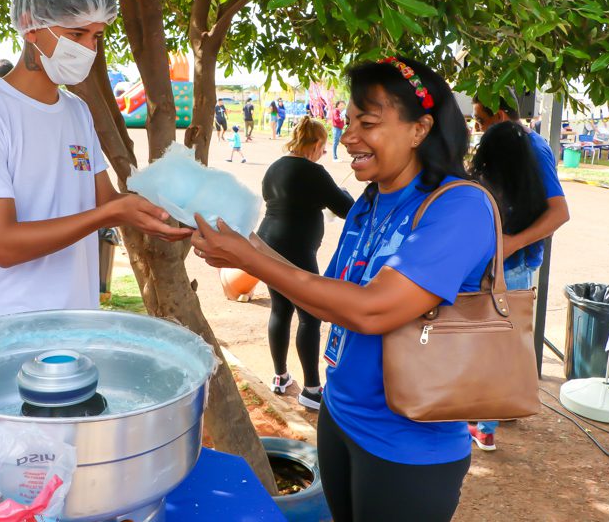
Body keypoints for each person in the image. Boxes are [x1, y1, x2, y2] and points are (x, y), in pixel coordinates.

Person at [191, 56, 496, 521]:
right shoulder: (370, 203)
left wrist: (250, 259)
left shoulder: (459, 207)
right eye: (348, 121)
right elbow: (329, 296)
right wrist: (244, 242)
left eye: (367, 122)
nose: (349, 135)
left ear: (420, 129)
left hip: (407, 447)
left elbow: (373, 311)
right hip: (340, 416)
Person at [0, 0, 191, 326]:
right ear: (29, 25)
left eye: (96, 36)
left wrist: (163, 211)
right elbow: (3, 244)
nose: (89, 49)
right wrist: (110, 213)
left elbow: (104, 200)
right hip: (2, 324)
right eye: (76, 34)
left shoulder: (76, 110)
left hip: (74, 320)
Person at [470, 93, 569, 451]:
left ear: (499, 115)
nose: (479, 130)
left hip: (513, 266)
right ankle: (494, 408)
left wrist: (512, 243)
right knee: (500, 340)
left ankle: (485, 425)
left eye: (481, 121)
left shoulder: (534, 148)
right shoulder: (514, 144)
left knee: (497, 343)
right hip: (504, 263)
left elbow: (559, 213)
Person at [257, 116, 353, 408]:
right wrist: (346, 193)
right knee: (310, 314)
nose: (323, 153)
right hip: (294, 247)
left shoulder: (275, 167)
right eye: (322, 147)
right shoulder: (313, 171)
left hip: (267, 243)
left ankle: (280, 377)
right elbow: (346, 207)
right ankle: (312, 390)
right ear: (314, 144)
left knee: (281, 308)